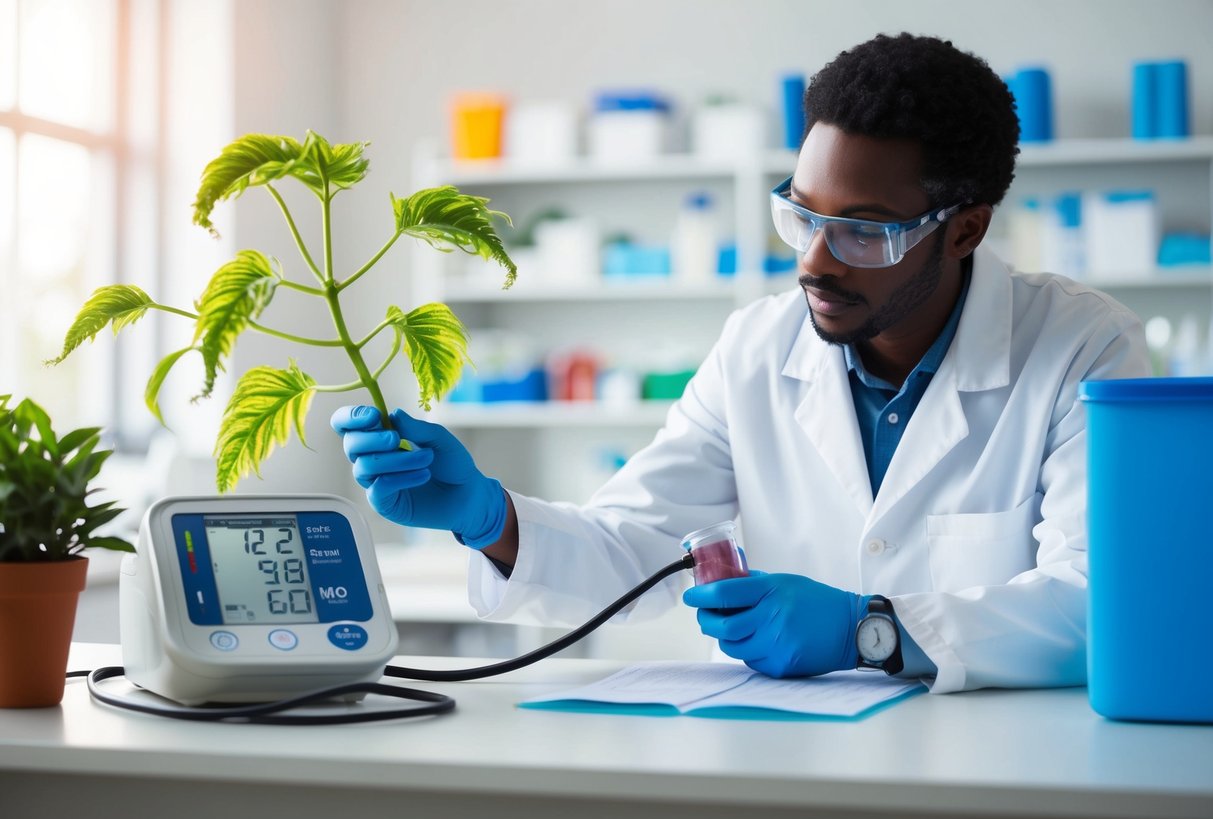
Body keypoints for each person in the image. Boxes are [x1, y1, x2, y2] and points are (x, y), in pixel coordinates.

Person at [332, 33, 1149, 693]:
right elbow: (640, 545)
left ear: (964, 230)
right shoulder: (757, 346)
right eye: (801, 214)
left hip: (1001, 773)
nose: (814, 261)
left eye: (863, 230)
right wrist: (489, 519)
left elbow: (1100, 603)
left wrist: (873, 629)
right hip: (781, 764)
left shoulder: (1084, 349)